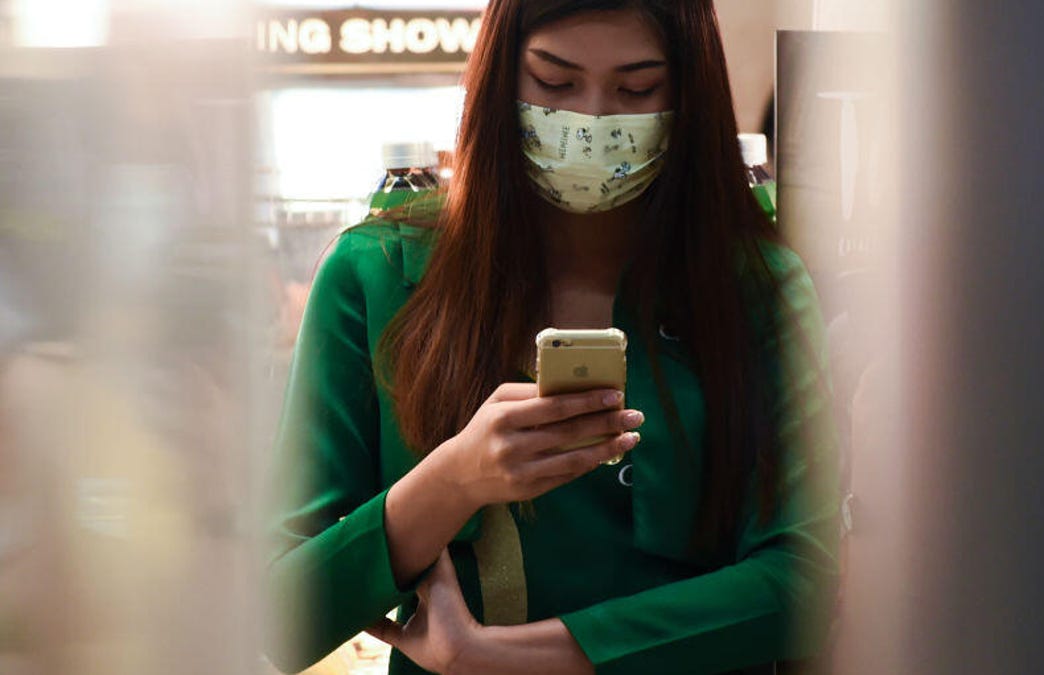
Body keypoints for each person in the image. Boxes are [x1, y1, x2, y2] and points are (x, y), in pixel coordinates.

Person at [262, 1, 840, 674]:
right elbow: (281, 614)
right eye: (555, 82)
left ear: (690, 93)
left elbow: (804, 582)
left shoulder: (755, 288)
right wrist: (453, 480)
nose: (592, 121)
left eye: (637, 88)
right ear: (500, 78)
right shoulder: (378, 274)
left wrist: (500, 657)